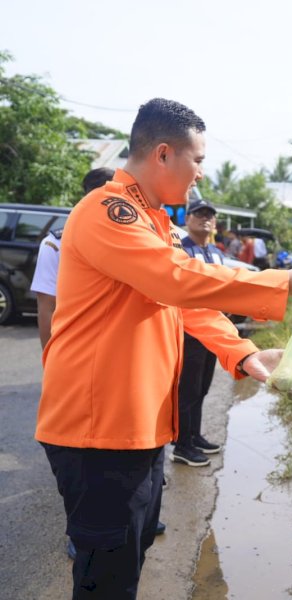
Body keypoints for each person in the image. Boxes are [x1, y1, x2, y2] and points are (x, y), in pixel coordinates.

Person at [35, 97, 292, 599]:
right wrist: (282, 283)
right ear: (162, 154)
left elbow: (186, 304)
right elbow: (176, 279)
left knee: (127, 563)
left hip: (136, 429)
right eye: (197, 160)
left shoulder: (150, 220)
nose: (199, 174)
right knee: (105, 581)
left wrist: (241, 352)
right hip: (98, 434)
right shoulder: (108, 212)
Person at [31, 167, 169, 561]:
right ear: (93, 198)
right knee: (94, 502)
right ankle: (86, 535)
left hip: (123, 384)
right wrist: (54, 364)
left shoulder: (144, 233)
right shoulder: (57, 243)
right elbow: (48, 308)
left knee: (124, 522)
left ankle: (126, 523)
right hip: (81, 377)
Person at [30, 167, 115, 348]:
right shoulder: (55, 245)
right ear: (87, 198)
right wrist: (49, 359)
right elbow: (47, 308)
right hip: (77, 344)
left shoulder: (129, 240)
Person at [173, 198, 227, 467]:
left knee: (202, 387)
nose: (204, 219)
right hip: (190, 330)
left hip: (212, 331)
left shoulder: (217, 252)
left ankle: (194, 436)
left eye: (209, 215)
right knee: (188, 389)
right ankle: (181, 444)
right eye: (198, 214)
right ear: (187, 220)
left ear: (215, 222)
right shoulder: (181, 250)